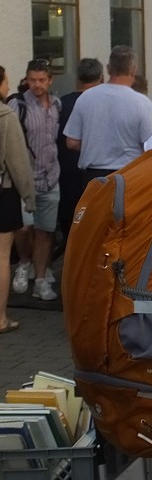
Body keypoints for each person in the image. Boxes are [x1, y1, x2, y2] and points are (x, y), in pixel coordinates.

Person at [63, 45, 152, 184]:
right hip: (129, 174)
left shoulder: (85, 98)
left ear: (108, 69)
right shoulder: (142, 103)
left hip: (94, 177)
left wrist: (96, 146)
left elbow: (71, 142)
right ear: (133, 69)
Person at [8, 59, 62, 301]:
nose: (36, 85)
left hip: (51, 177)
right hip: (24, 179)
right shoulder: (17, 105)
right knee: (22, 227)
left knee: (45, 231)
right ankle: (24, 262)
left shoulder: (57, 105)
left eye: (41, 80)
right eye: (32, 80)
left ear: (50, 80)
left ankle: (40, 279)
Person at [0, 66, 35, 335]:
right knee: (1, 257)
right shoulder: (6, 115)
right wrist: (29, 197)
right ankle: (0, 318)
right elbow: (18, 161)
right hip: (3, 192)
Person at [56, 58, 103, 242]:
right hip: (95, 170)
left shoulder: (62, 103)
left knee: (70, 224)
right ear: (101, 77)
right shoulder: (103, 103)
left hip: (65, 169)